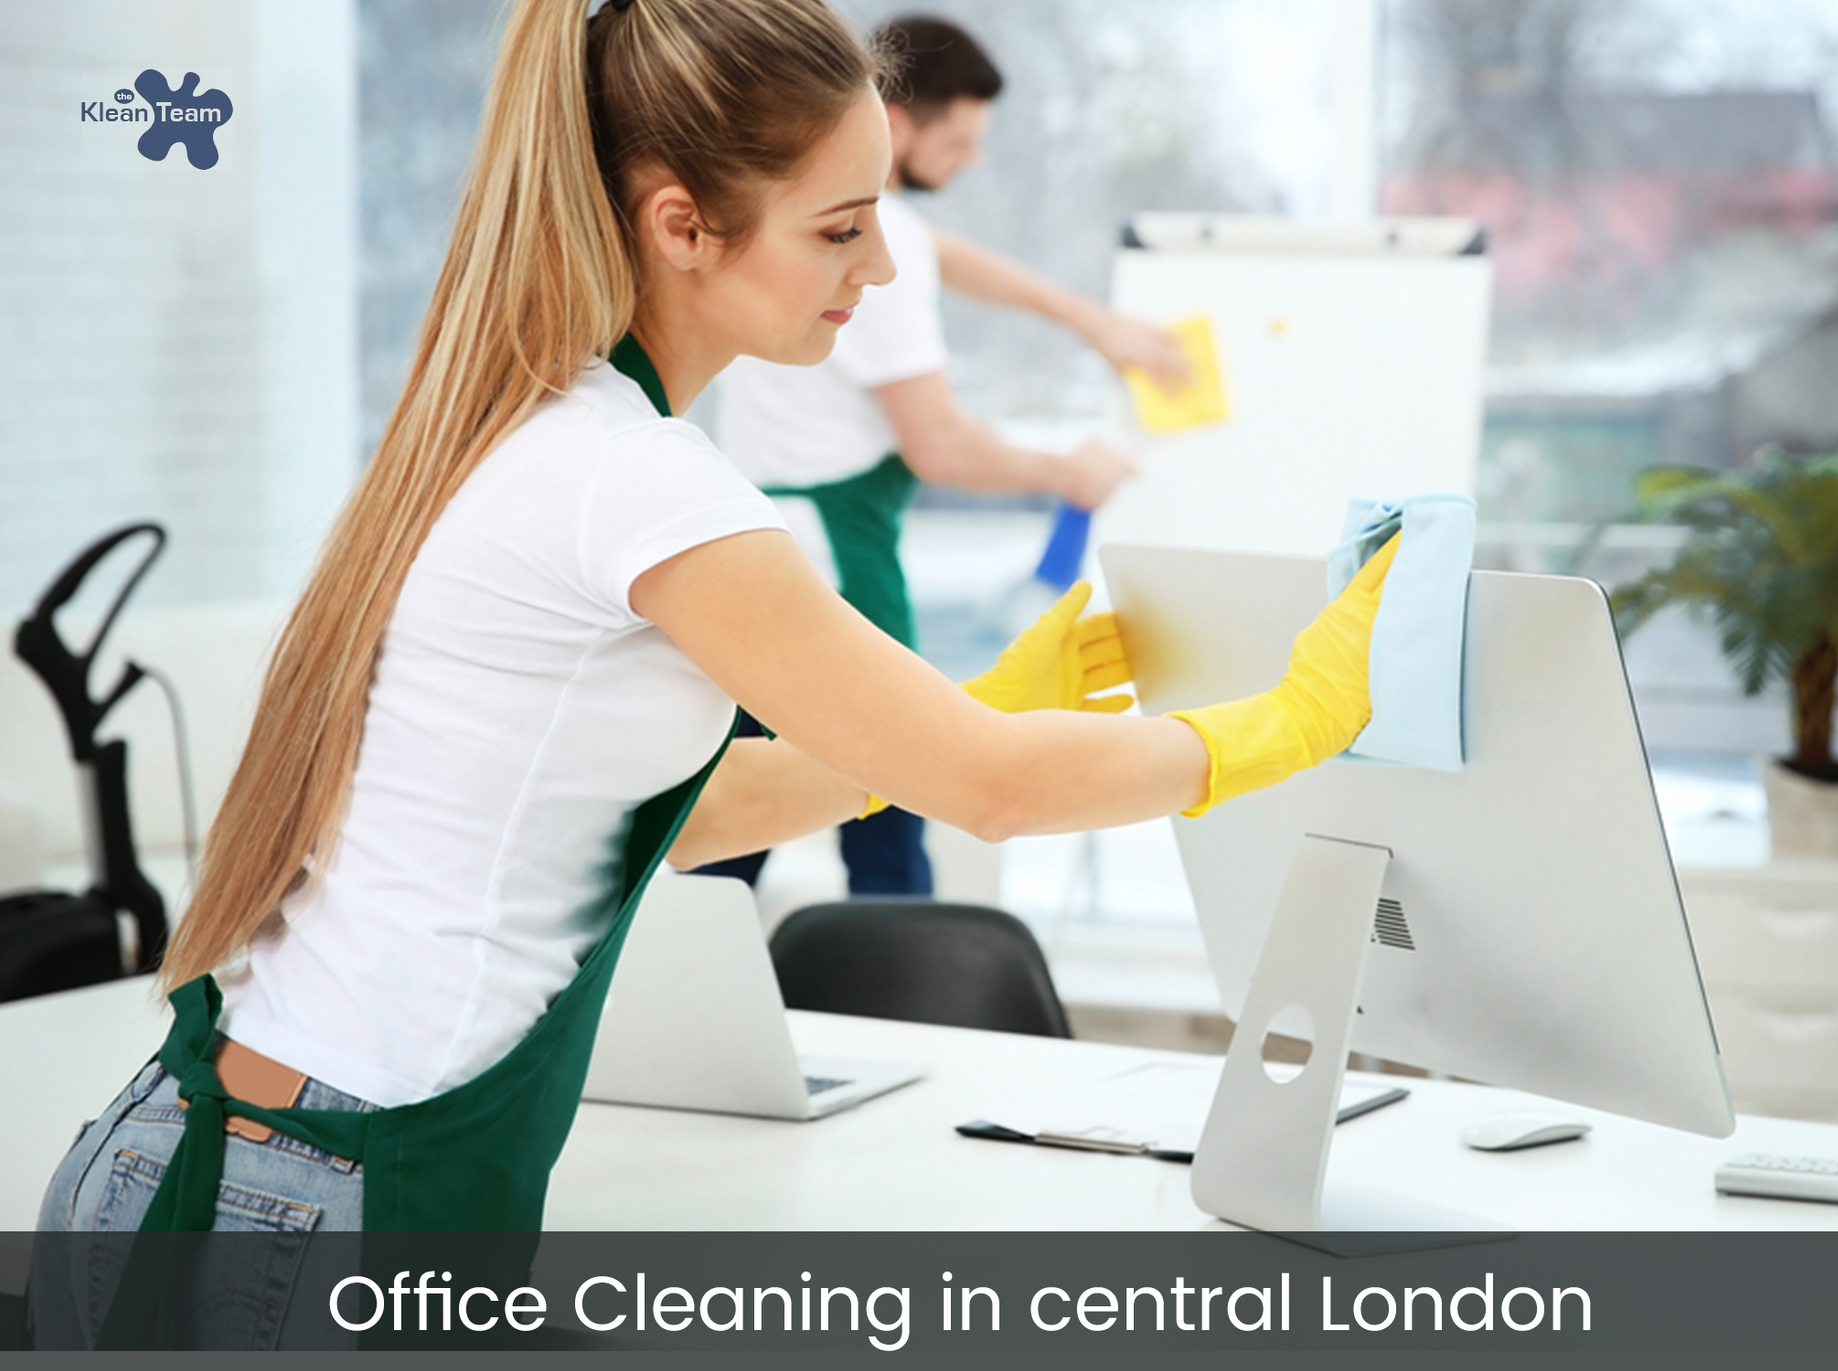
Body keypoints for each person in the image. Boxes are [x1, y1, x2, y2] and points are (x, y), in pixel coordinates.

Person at [33, 0, 1392, 1346]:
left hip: (216, 1153)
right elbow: (999, 795)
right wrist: (1291, 721)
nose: (879, 270)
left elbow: (680, 810)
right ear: (684, 226)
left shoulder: (528, 422)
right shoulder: (637, 479)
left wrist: (972, 711)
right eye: (840, 228)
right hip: (316, 1197)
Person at [705, 14, 1192, 895]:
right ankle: (896, 1008)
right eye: (959, 141)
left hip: (773, 533)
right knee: (884, 793)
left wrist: (1090, 322)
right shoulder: (870, 253)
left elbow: (954, 259)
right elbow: (939, 446)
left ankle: (673, 982)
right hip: (834, 555)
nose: (969, 161)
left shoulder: (834, 225)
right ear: (892, 121)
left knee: (749, 800)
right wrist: (1064, 469)